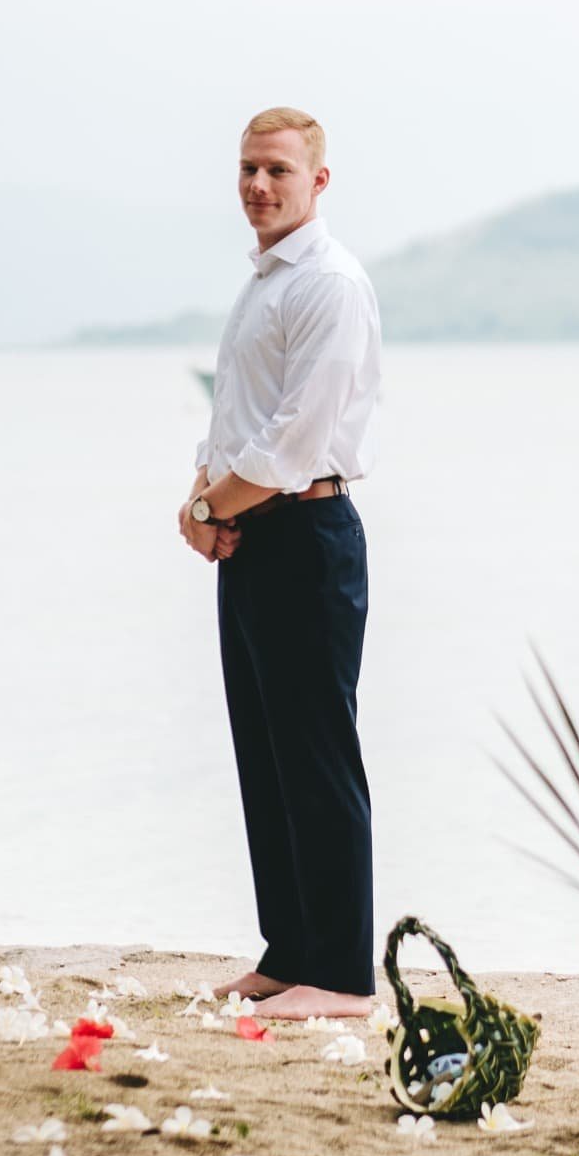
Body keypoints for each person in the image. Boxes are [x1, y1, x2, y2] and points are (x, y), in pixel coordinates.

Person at [177, 106, 383, 1020]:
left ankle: (339, 974)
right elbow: (239, 416)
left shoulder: (329, 284)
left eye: (279, 172)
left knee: (314, 749)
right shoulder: (262, 282)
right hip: (253, 532)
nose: (259, 187)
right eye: (248, 170)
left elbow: (297, 436)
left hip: (308, 532)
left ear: (319, 182)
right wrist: (203, 499)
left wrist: (204, 509)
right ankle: (290, 948)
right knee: (263, 749)